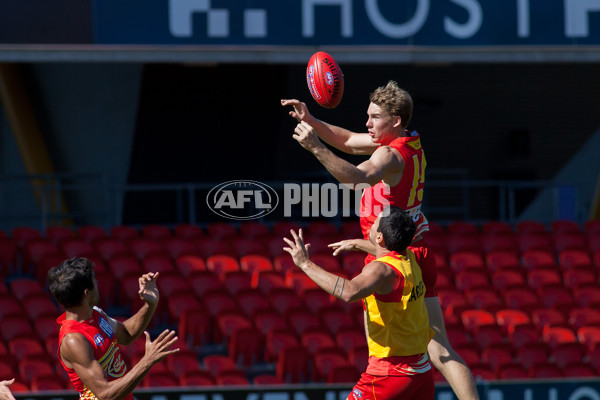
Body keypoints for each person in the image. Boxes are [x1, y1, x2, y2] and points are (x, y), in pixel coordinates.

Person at [282, 82, 480, 400]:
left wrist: (316, 147)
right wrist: (312, 119)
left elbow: (356, 178)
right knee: (439, 349)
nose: (368, 123)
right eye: (368, 116)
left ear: (396, 120)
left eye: (375, 117)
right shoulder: (410, 142)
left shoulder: (388, 155)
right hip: (415, 249)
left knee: (386, 353)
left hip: (394, 257)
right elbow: (346, 140)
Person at [284, 207, 434, 399]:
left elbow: (349, 292)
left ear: (380, 237)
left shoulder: (382, 270)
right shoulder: (411, 258)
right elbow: (389, 248)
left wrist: (305, 263)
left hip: (391, 372)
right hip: (421, 370)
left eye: (375, 223)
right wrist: (358, 244)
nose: (371, 225)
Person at [47, 257, 179, 400]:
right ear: (87, 293)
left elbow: (127, 334)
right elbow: (105, 395)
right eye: (94, 282)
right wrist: (147, 361)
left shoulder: (95, 313)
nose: (97, 284)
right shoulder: (74, 339)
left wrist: (150, 305)